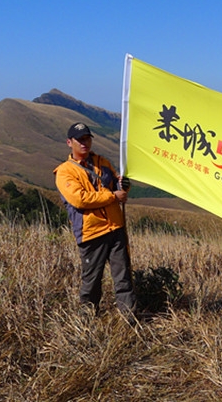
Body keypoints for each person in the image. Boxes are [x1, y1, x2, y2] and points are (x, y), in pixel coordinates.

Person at [54, 122, 137, 316]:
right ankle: (87, 319)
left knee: (123, 276)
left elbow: (118, 187)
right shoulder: (65, 171)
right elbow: (79, 200)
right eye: (80, 139)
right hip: (91, 233)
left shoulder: (104, 163)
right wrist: (113, 196)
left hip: (116, 227)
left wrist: (124, 186)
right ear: (69, 142)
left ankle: (129, 318)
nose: (85, 143)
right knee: (91, 280)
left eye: (87, 138)